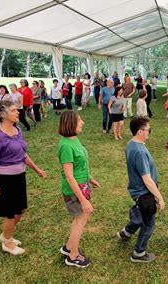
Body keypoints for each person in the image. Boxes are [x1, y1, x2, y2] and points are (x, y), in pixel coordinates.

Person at [0, 100, 47, 255]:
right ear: (3, 115)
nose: (17, 112)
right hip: (5, 180)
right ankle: (7, 242)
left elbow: (22, 154)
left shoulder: (17, 130)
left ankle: (5, 235)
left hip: (19, 177)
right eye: (13, 110)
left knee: (21, 209)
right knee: (12, 213)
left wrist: (37, 169)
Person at [117, 117, 165, 263]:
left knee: (141, 214)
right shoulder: (140, 152)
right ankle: (138, 253)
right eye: (148, 130)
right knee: (148, 223)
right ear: (140, 132)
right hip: (144, 192)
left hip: (137, 190)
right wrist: (159, 198)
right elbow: (147, 180)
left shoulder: (131, 144)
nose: (149, 132)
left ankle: (126, 232)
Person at [57, 111, 101, 268]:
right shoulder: (66, 146)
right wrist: (82, 200)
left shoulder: (74, 139)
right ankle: (73, 256)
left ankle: (69, 247)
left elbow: (80, 166)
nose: (82, 122)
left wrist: (90, 179)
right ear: (70, 123)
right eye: (79, 120)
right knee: (80, 220)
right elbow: (69, 176)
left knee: (80, 219)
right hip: (74, 191)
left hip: (82, 185)